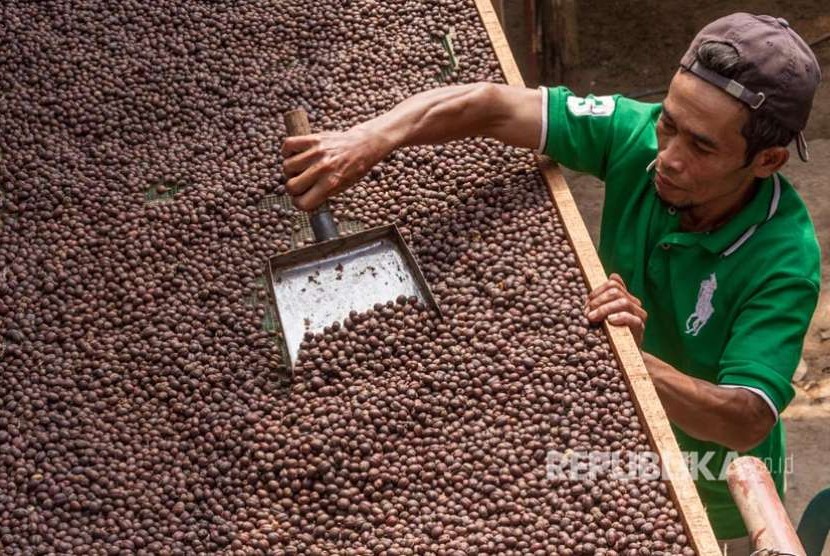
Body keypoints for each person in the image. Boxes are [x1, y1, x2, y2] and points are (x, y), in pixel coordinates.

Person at [281, 12, 821, 552]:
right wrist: (369, 139)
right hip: (604, 426)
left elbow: (744, 419)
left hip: (713, 487)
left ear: (767, 160)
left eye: (701, 148)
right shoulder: (636, 135)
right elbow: (492, 107)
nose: (668, 158)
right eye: (669, 123)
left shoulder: (784, 260)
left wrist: (631, 359)